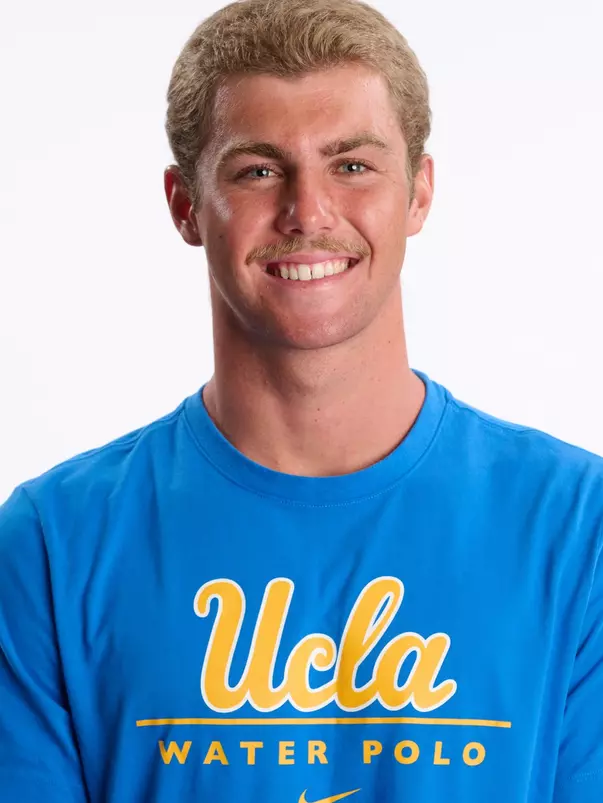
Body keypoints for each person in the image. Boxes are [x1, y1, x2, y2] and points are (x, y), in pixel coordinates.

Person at [1, 0, 602, 800]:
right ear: (185, 205)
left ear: (418, 192)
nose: (307, 212)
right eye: (257, 170)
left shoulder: (577, 529)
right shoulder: (49, 547)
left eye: (351, 165)